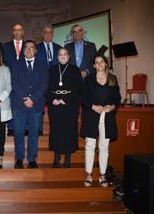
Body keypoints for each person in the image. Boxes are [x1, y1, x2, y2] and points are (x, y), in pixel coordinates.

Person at [80, 54, 121, 187]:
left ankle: (102, 175)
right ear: (93, 66)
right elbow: (83, 97)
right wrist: (92, 106)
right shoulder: (88, 79)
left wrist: (113, 106)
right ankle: (89, 174)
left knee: (104, 147)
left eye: (101, 62)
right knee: (90, 145)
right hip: (91, 115)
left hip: (107, 117)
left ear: (105, 64)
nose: (99, 64)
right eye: (96, 63)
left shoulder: (112, 79)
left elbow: (117, 97)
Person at [11, 40, 48, 169]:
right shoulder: (16, 64)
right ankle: (19, 159)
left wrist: (33, 99)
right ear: (23, 50)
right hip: (19, 105)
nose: (29, 49)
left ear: (36, 51)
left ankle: (32, 159)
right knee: (19, 133)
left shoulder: (42, 65)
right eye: (26, 47)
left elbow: (44, 84)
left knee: (33, 133)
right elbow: (14, 83)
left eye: (32, 47)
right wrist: (25, 98)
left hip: (36, 105)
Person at [47, 48, 82, 168]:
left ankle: (68, 157)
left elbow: (78, 88)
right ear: (57, 57)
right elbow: (46, 87)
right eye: (60, 54)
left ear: (68, 57)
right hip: (55, 106)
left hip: (70, 106)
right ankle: (57, 156)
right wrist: (53, 99)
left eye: (65, 54)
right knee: (56, 130)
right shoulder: (51, 70)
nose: (62, 56)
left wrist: (64, 99)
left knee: (69, 131)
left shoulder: (75, 70)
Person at [36, 25, 62, 136]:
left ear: (53, 34)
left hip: (55, 84)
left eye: (50, 32)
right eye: (45, 32)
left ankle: (56, 131)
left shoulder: (59, 48)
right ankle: (39, 131)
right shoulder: (36, 48)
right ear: (42, 34)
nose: (47, 34)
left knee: (55, 108)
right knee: (39, 108)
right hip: (40, 83)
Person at [2, 24, 25, 136]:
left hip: (25, 80)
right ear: (12, 32)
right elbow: (4, 63)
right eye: (15, 30)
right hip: (9, 79)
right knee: (11, 103)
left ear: (23, 32)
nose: (17, 32)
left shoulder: (28, 46)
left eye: (19, 30)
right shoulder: (5, 46)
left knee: (23, 101)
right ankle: (11, 128)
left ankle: (25, 127)